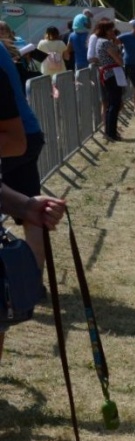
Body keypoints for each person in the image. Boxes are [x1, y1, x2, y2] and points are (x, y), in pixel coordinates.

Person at [0, 43, 49, 273]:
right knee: (31, 210)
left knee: (29, 208)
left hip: (16, 137)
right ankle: (33, 282)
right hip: (30, 132)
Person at [94, 20, 124, 142]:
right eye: (111, 30)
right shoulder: (107, 43)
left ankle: (110, 131)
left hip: (107, 74)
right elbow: (119, 61)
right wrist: (118, 47)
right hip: (112, 75)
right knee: (114, 104)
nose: (113, 32)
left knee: (112, 104)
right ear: (106, 31)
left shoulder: (99, 42)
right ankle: (111, 132)